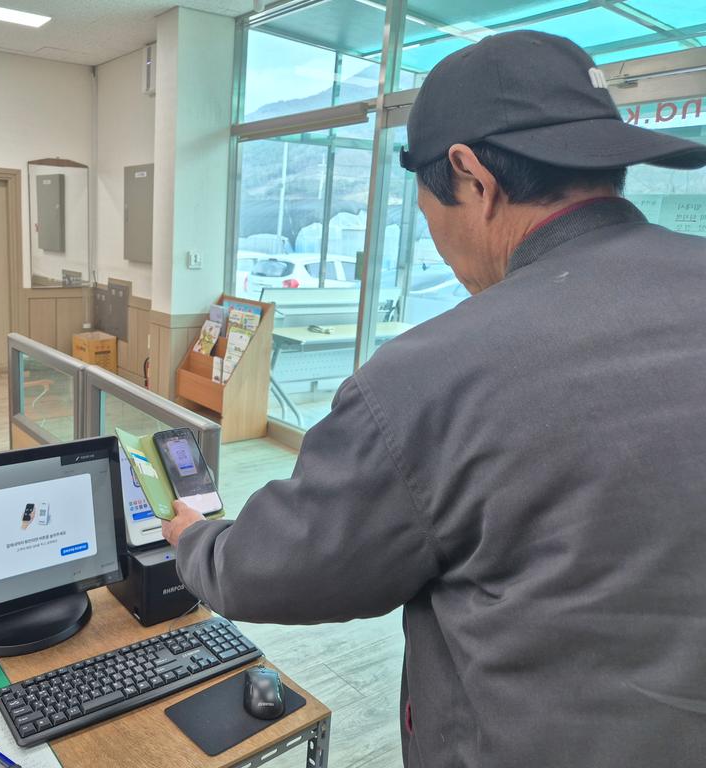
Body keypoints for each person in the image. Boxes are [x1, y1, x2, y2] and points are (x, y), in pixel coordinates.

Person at [163, 30, 706, 767]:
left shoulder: (434, 373)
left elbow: (280, 569)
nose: (441, 251)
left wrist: (197, 540)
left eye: (426, 211)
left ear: (472, 177)